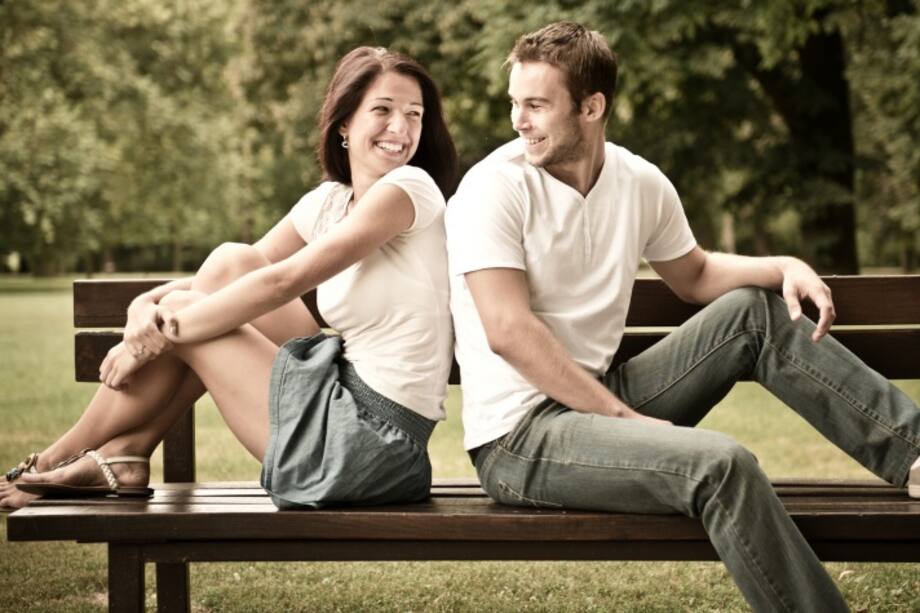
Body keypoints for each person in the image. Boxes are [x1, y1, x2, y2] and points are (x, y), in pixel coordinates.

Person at [445, 21, 920, 612]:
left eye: (537, 105)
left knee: (752, 313)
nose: (519, 120)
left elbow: (694, 276)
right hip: (520, 438)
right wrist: (621, 417)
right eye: (515, 103)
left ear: (592, 107)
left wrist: (783, 266)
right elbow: (508, 332)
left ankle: (914, 455)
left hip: (602, 399)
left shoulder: (638, 181)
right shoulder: (492, 189)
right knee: (721, 464)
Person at [1, 46, 458, 511]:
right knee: (229, 261)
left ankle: (56, 457)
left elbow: (282, 282)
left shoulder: (409, 189)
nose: (400, 129)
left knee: (188, 312)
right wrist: (144, 305)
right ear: (344, 122)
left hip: (371, 446)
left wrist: (149, 338)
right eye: (382, 110)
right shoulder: (331, 202)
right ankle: (127, 454)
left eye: (414, 115)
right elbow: (232, 274)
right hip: (340, 395)